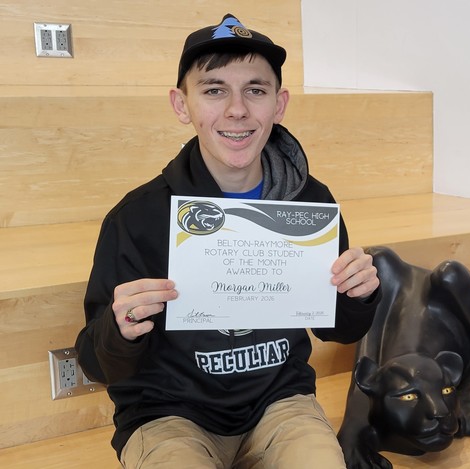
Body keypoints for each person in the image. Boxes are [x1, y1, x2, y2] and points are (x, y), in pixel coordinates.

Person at [75, 13, 380, 468]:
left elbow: (339, 329)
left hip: (281, 404)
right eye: (214, 90)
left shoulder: (310, 204)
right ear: (182, 105)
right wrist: (120, 330)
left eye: (255, 90)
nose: (237, 109)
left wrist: (360, 294)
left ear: (279, 105)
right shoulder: (136, 218)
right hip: (168, 414)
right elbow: (96, 364)